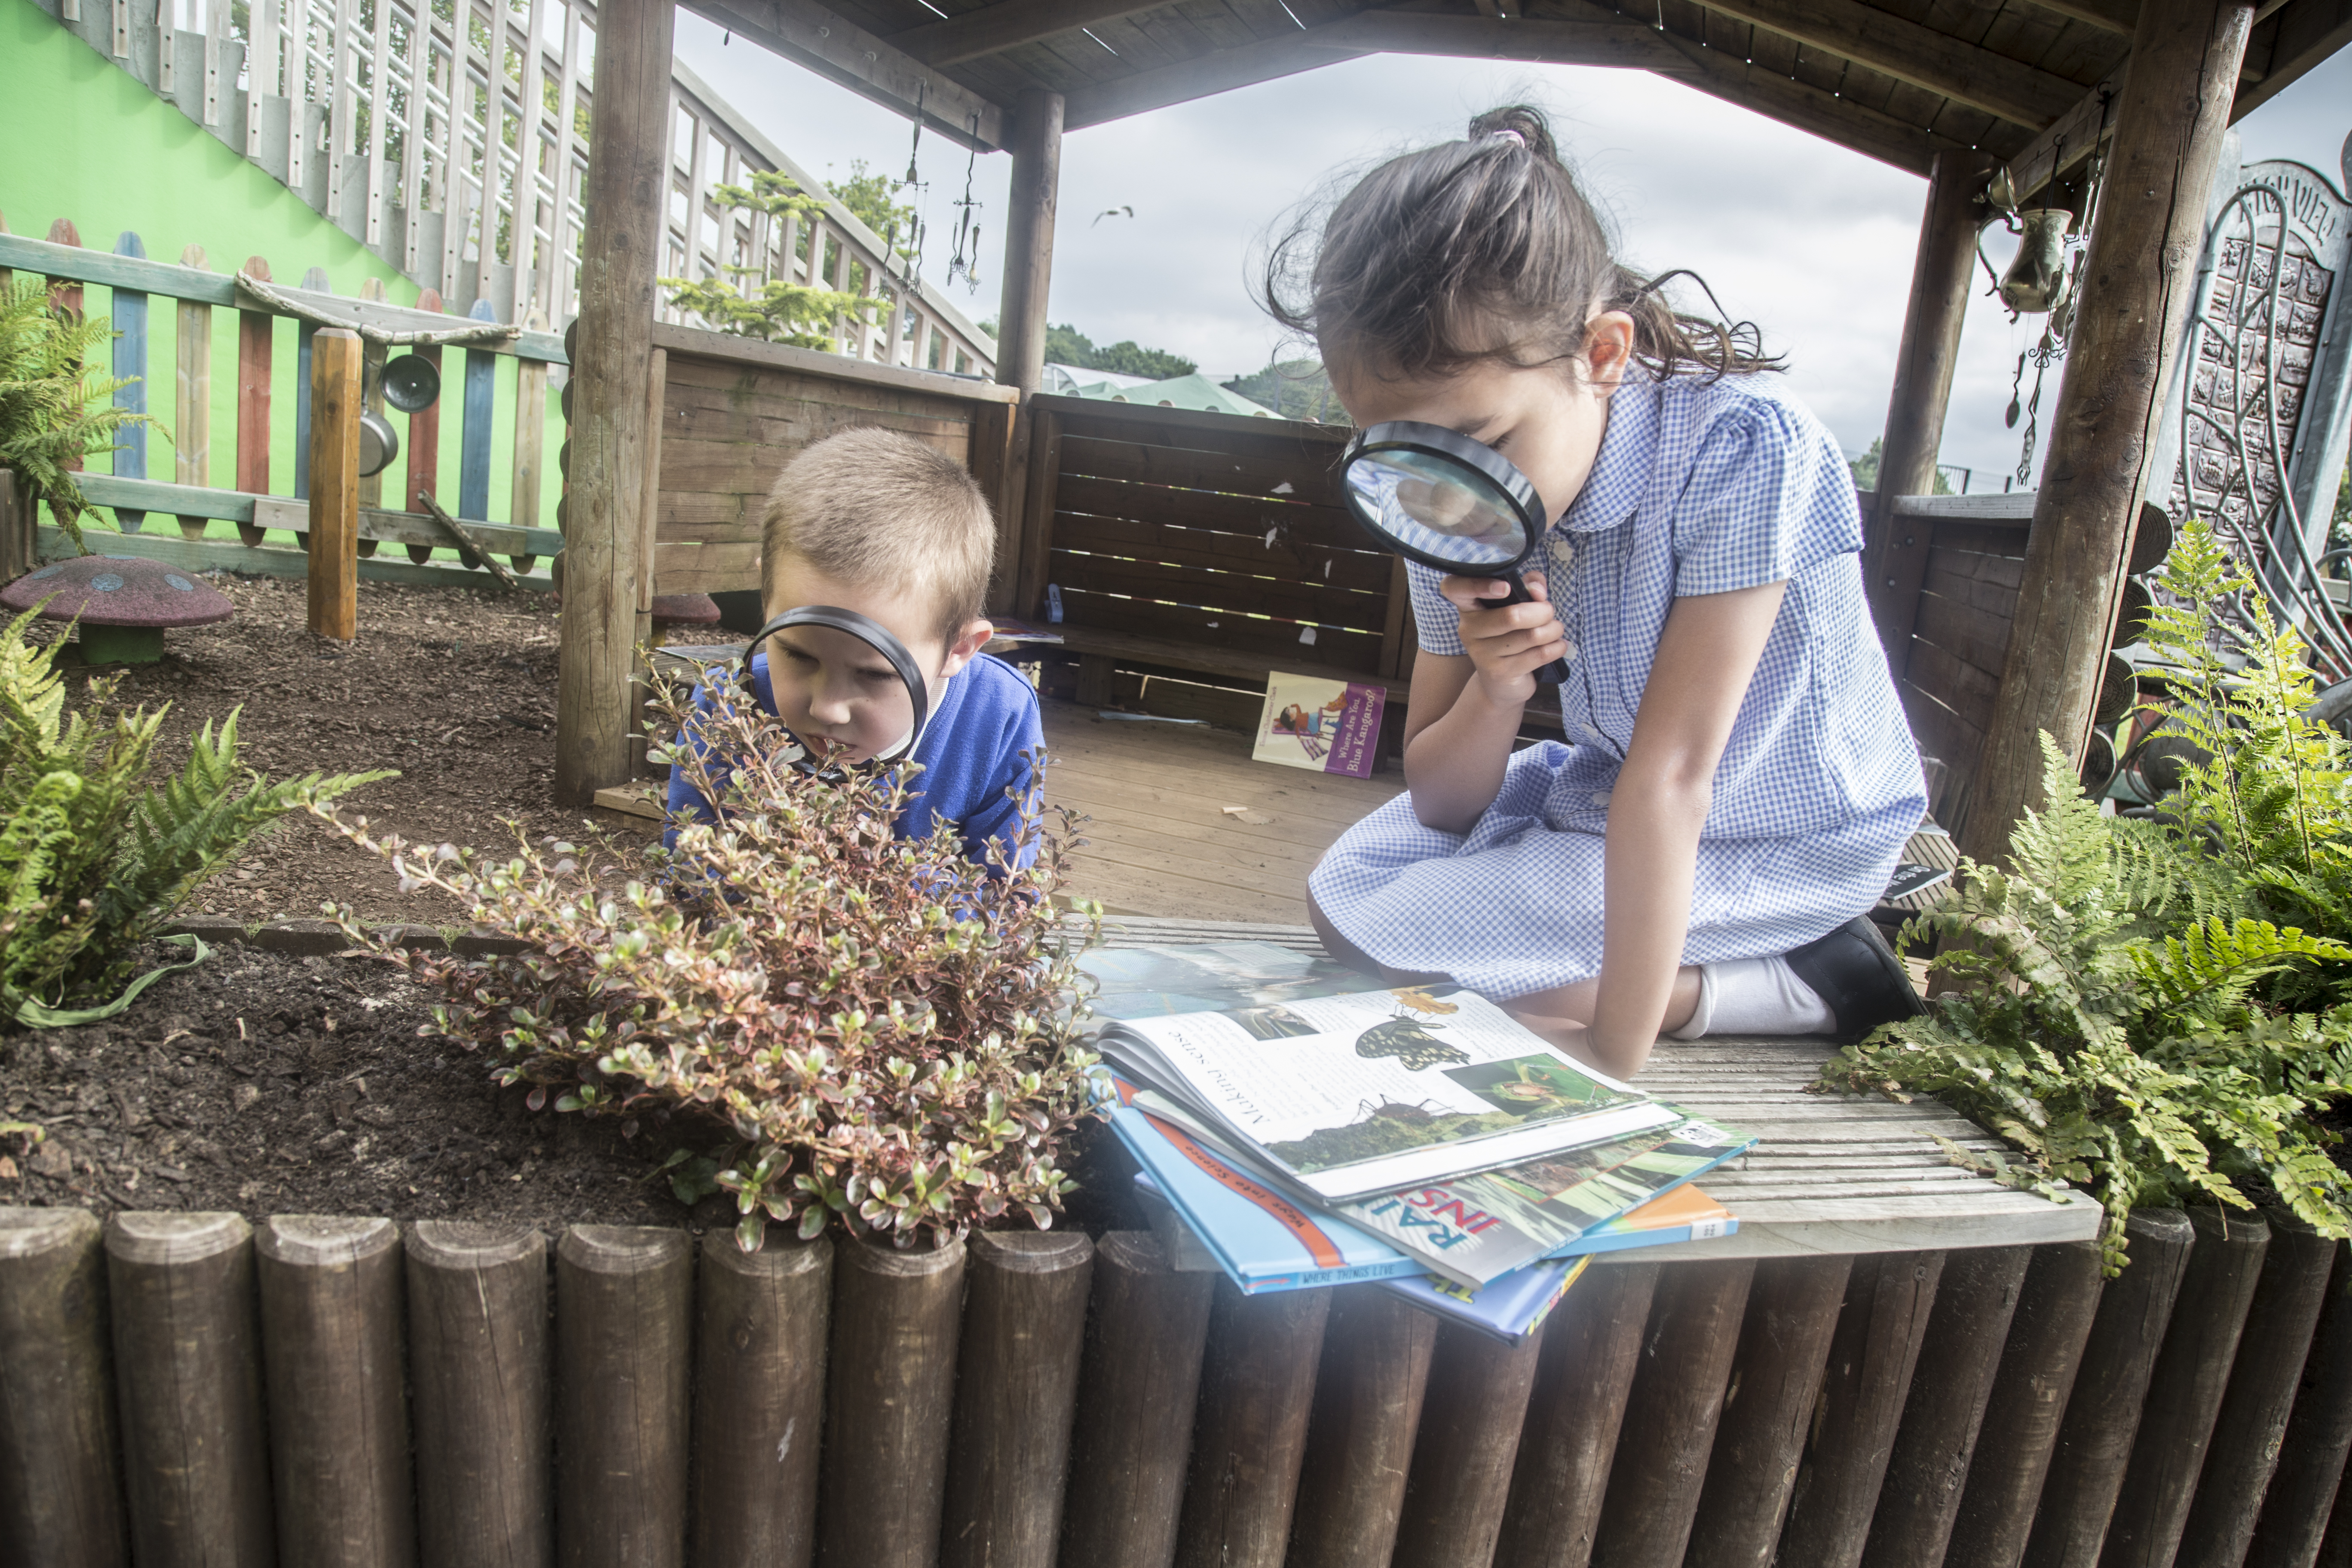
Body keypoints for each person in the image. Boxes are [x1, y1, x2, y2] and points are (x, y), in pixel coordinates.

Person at [1275, 106, 1927, 1078]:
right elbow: (1442, 804)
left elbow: (1673, 778)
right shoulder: (1438, 495)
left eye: (1483, 444)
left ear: (1603, 355)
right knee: (1345, 903)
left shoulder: (1739, 448)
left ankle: (1803, 981)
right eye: (1403, 453)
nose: (1445, 496)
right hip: (1604, 797)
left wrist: (1611, 1050)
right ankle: (1715, 970)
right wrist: (1497, 688)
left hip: (1778, 832)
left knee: (1445, 976)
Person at [662, 426, 1044, 869]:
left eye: (876, 674)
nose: (828, 709)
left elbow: (1004, 891)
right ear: (766, 599)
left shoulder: (999, 715)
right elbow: (692, 872)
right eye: (798, 654)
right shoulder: (723, 705)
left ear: (958, 648)